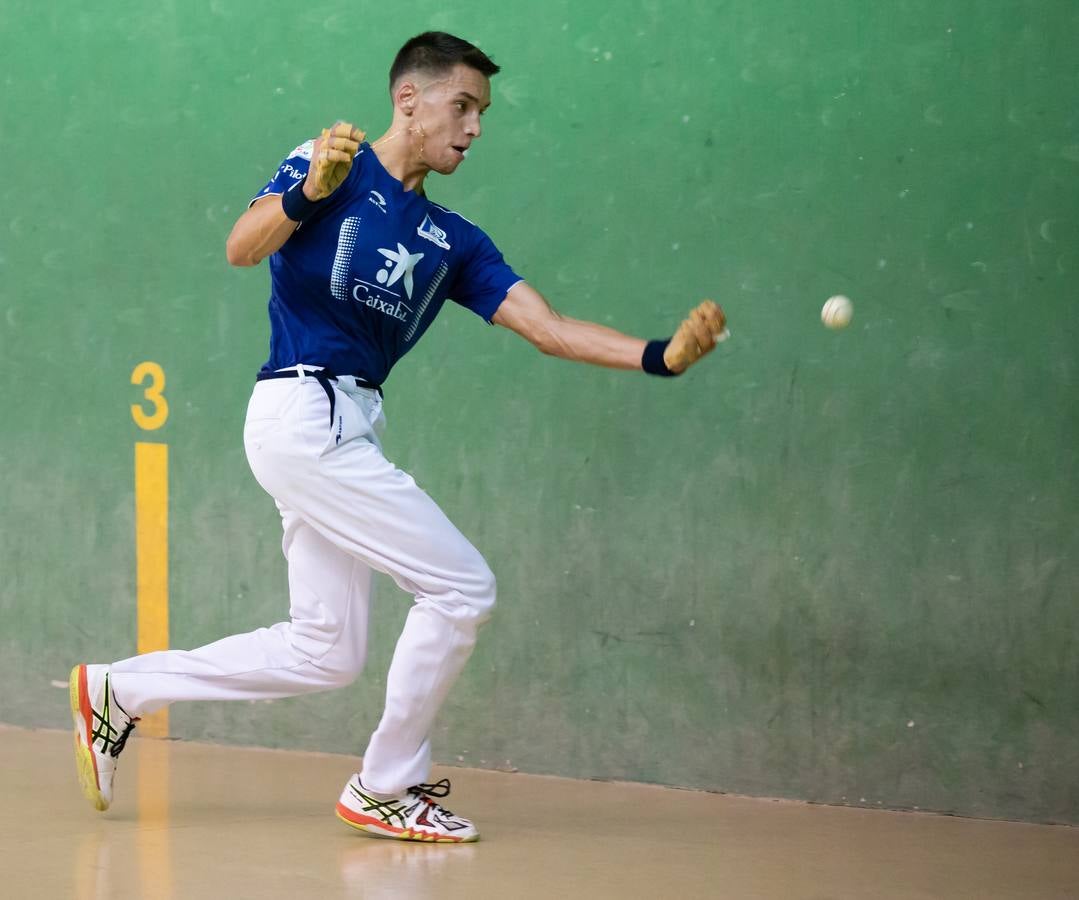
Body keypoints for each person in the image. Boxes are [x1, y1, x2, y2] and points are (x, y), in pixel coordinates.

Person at [70, 31, 727, 843]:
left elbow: (548, 328)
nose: (473, 128)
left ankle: (118, 690)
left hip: (351, 427)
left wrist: (660, 357)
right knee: (462, 589)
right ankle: (386, 786)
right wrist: (310, 192)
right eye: (462, 106)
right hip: (303, 414)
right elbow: (242, 248)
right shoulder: (328, 165)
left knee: (324, 652)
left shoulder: (455, 240)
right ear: (407, 100)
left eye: (481, 113)